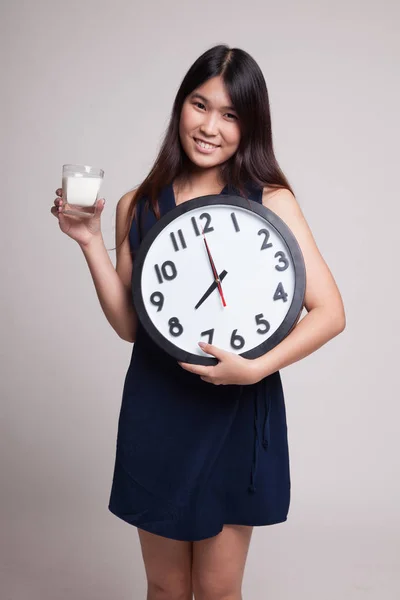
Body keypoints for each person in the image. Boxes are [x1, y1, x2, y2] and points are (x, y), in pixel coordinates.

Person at [51, 44, 345, 600]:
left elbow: (331, 313)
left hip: (236, 413)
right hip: (157, 409)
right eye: (200, 105)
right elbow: (132, 327)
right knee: (164, 588)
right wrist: (88, 241)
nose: (211, 126)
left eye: (231, 115)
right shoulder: (137, 205)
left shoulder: (270, 203)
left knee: (217, 590)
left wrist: (254, 370)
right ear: (180, 107)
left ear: (250, 126)